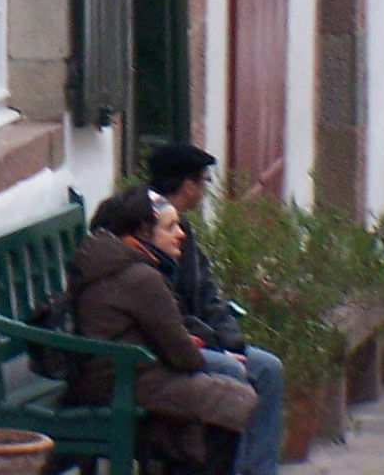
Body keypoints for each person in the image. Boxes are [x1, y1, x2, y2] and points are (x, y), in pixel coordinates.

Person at [64, 184, 257, 473]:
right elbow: (184, 357)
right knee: (231, 399)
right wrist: (198, 349)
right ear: (143, 232)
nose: (181, 234)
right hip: (121, 383)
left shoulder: (121, 261)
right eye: (169, 227)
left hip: (121, 374)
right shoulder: (140, 276)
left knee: (222, 395)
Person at [147, 143, 285, 475]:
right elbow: (166, 318)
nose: (176, 233)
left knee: (268, 368)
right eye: (203, 182)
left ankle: (258, 470)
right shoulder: (150, 233)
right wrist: (216, 347)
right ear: (189, 185)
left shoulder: (182, 230)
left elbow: (208, 294)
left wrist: (231, 341)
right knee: (232, 374)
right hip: (166, 351)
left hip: (197, 339)